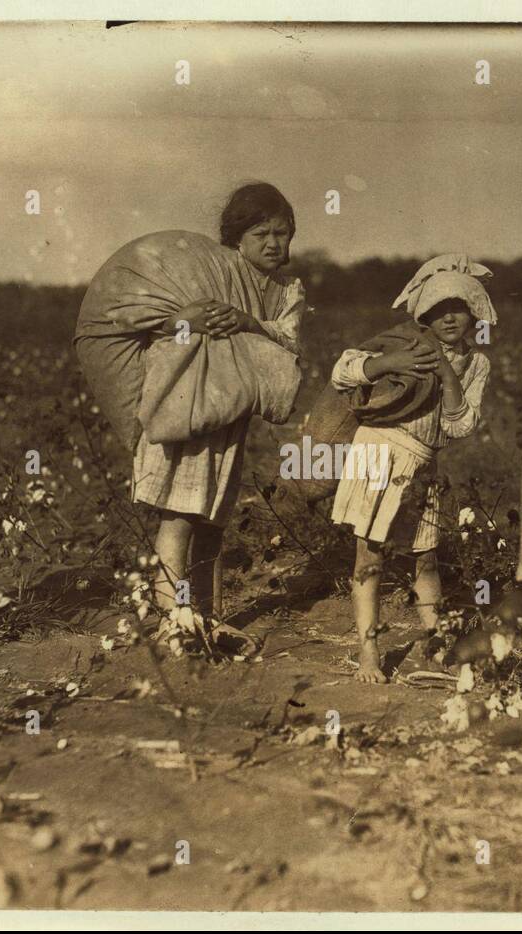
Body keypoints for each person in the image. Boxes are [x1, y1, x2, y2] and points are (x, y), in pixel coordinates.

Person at [131, 183, 306, 636]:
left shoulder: (288, 291)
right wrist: (183, 322)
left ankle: (204, 617)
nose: (273, 243)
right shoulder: (208, 272)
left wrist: (249, 322)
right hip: (190, 411)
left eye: (282, 233)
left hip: (231, 418)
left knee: (212, 520)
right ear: (237, 238)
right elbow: (159, 327)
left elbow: (289, 341)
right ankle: (174, 619)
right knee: (180, 515)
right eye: (261, 233)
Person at [330, 255, 494, 683]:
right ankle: (368, 651)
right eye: (437, 311)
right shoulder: (402, 342)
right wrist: (386, 365)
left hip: (423, 460)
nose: (448, 319)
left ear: (474, 311)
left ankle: (436, 645)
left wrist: (446, 372)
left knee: (425, 557)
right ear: (423, 315)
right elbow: (342, 373)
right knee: (371, 552)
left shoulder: (477, 363)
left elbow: (461, 424)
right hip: (378, 449)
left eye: (457, 308)